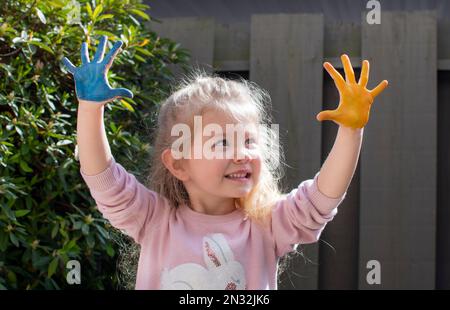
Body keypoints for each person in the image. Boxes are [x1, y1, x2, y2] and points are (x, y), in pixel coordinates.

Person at [62, 35, 388, 290]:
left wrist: (351, 129)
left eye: (249, 141)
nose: (242, 153)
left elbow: (324, 196)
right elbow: (102, 177)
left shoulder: (267, 224)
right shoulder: (154, 220)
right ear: (179, 165)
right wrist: (90, 108)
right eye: (221, 143)